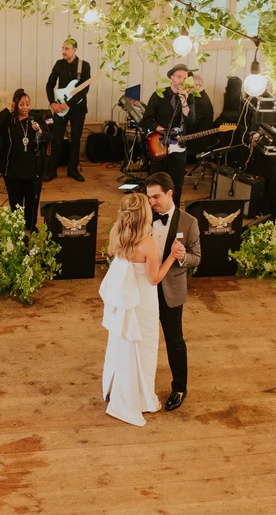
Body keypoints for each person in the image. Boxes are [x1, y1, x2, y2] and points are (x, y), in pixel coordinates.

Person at [99, 192, 180, 427]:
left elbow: (113, 253)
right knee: (144, 347)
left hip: (124, 300)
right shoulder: (148, 242)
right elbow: (154, 279)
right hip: (143, 301)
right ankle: (142, 398)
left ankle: (122, 390)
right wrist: (173, 257)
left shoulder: (117, 232)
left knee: (122, 344)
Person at [145, 172, 201, 411]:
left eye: (155, 197)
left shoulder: (189, 222)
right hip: (144, 288)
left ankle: (179, 387)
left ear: (170, 193)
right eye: (148, 198)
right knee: (141, 340)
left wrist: (182, 257)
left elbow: (196, 258)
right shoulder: (145, 217)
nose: (151, 203)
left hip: (170, 291)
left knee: (174, 341)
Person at [0, 88, 51, 231]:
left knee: (32, 201)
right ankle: (17, 227)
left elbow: (49, 137)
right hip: (13, 169)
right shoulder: (8, 120)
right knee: (15, 201)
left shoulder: (36, 118)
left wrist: (40, 132)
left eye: (27, 104)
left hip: (33, 168)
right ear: (15, 105)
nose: (25, 108)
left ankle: (30, 226)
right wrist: (6, 110)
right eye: (22, 104)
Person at [142, 64, 195, 207]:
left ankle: (173, 212)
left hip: (178, 147)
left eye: (185, 78)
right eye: (179, 77)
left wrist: (184, 100)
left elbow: (191, 121)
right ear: (171, 78)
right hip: (160, 143)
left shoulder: (189, 98)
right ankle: (154, 210)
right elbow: (146, 120)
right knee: (157, 180)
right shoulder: (159, 95)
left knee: (176, 183)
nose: (182, 81)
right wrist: (161, 129)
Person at [44, 38, 90, 183]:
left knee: (75, 139)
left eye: (67, 49)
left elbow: (84, 89)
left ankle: (73, 170)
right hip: (59, 107)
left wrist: (68, 104)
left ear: (75, 50)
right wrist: (52, 103)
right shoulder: (59, 64)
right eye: (62, 48)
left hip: (78, 108)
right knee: (56, 138)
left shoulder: (84, 66)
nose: (63, 51)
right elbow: (49, 85)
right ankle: (52, 170)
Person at [187, 73, 214, 157]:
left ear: (198, 86)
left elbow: (189, 124)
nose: (187, 89)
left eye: (189, 87)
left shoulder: (201, 103)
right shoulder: (199, 98)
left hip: (195, 143)